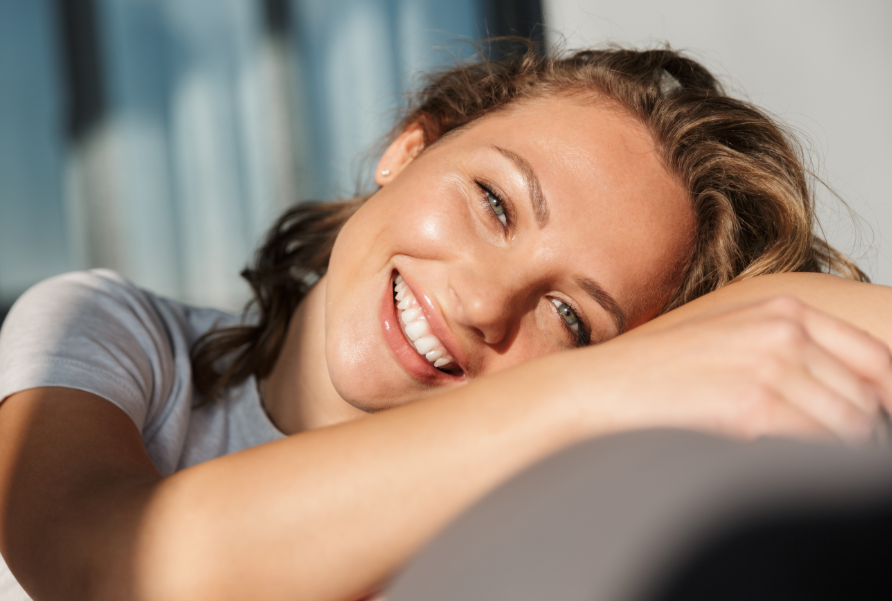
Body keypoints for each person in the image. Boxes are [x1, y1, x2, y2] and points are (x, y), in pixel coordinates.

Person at [0, 44, 890, 601]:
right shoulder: (115, 332)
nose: (478, 304)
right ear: (410, 148)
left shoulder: (505, 524)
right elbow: (105, 565)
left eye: (570, 316)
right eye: (496, 203)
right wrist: (608, 379)